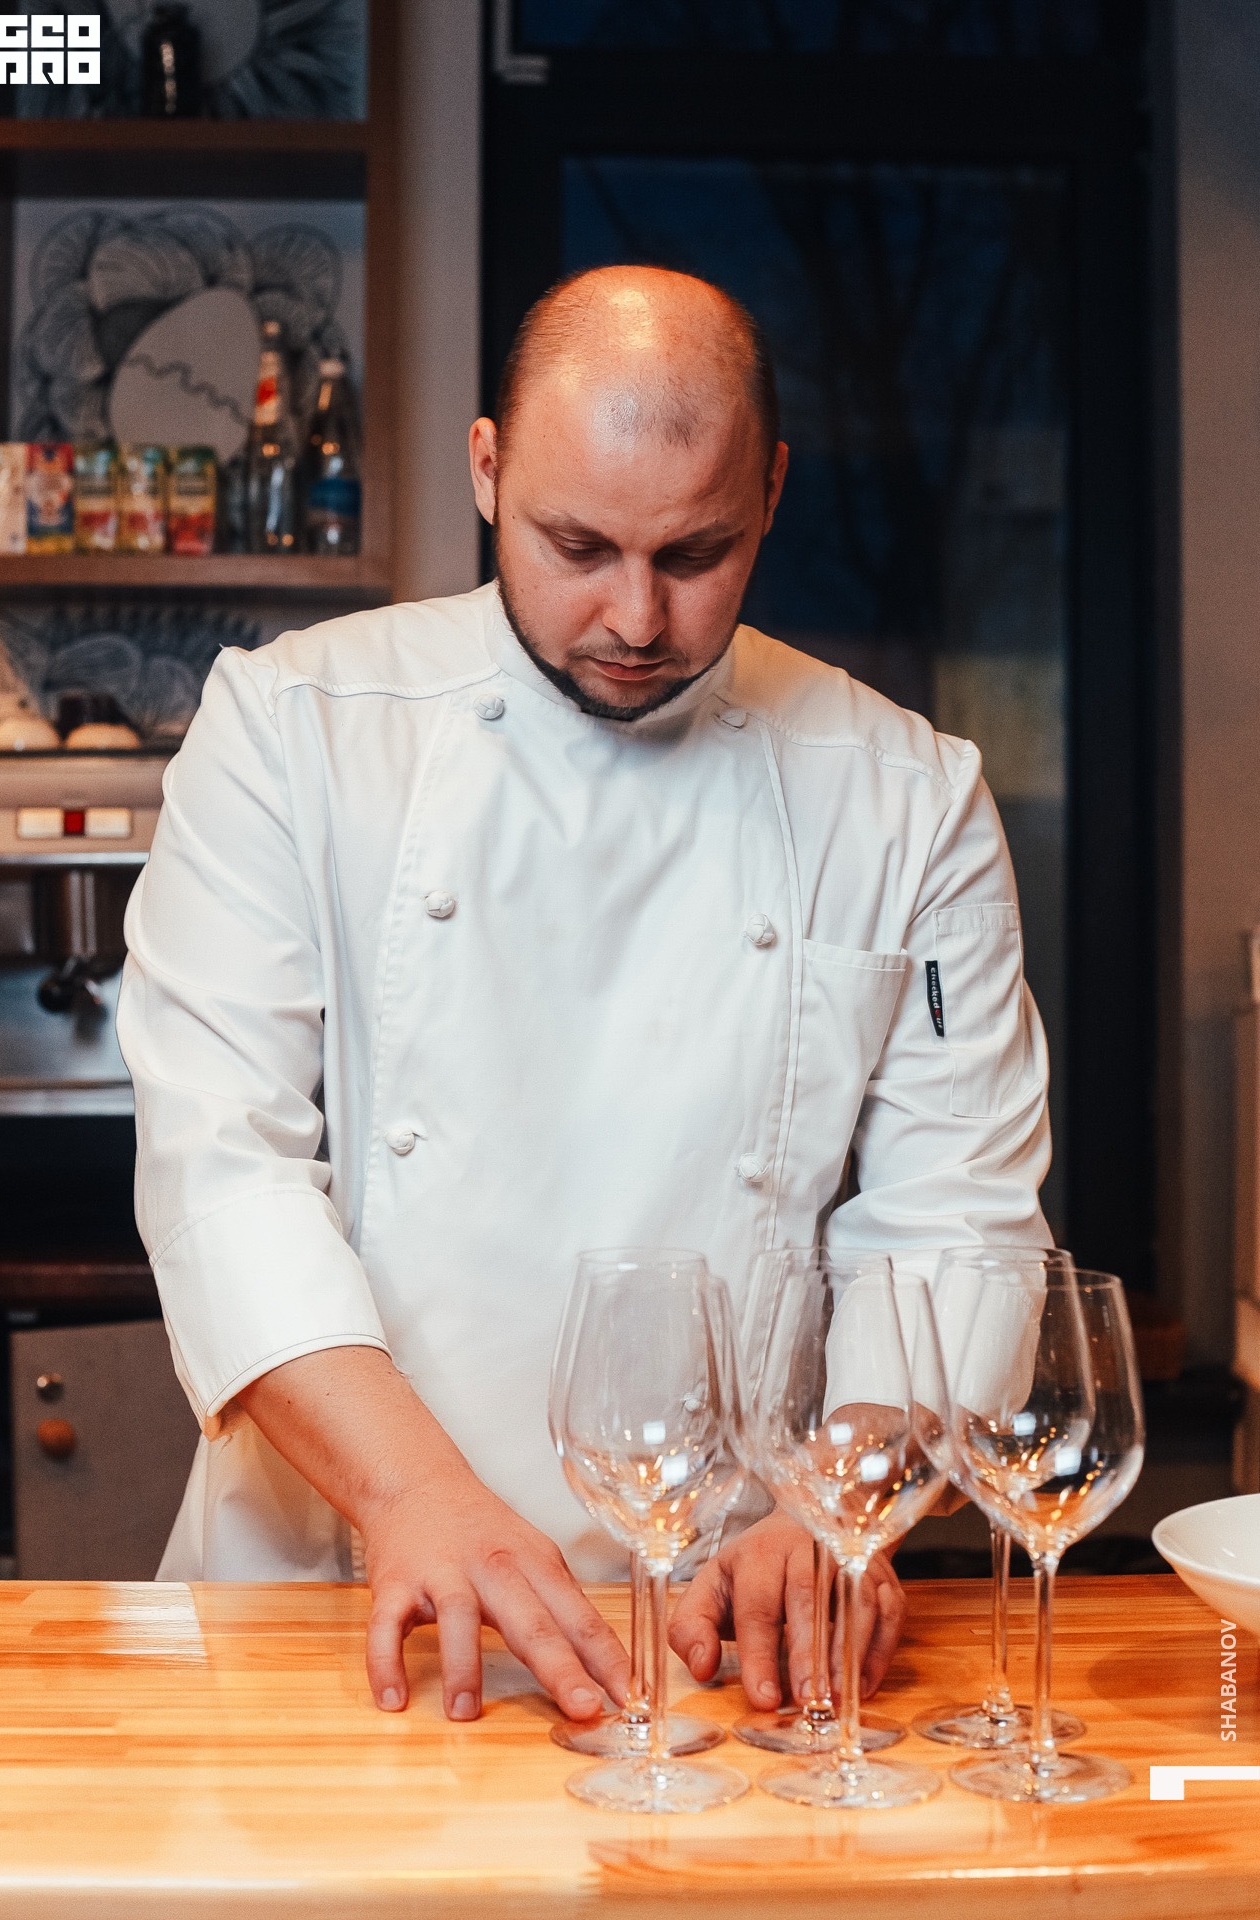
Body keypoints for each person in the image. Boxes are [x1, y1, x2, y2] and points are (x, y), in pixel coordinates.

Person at [117, 265, 1050, 1727]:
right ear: (488, 471)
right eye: (579, 546)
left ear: (772, 493)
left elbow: (959, 1220)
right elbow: (220, 1170)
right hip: (334, 1604)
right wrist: (414, 1494)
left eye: (697, 554)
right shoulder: (290, 728)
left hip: (723, 1630)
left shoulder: (909, 799)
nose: (636, 615)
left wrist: (843, 1501)